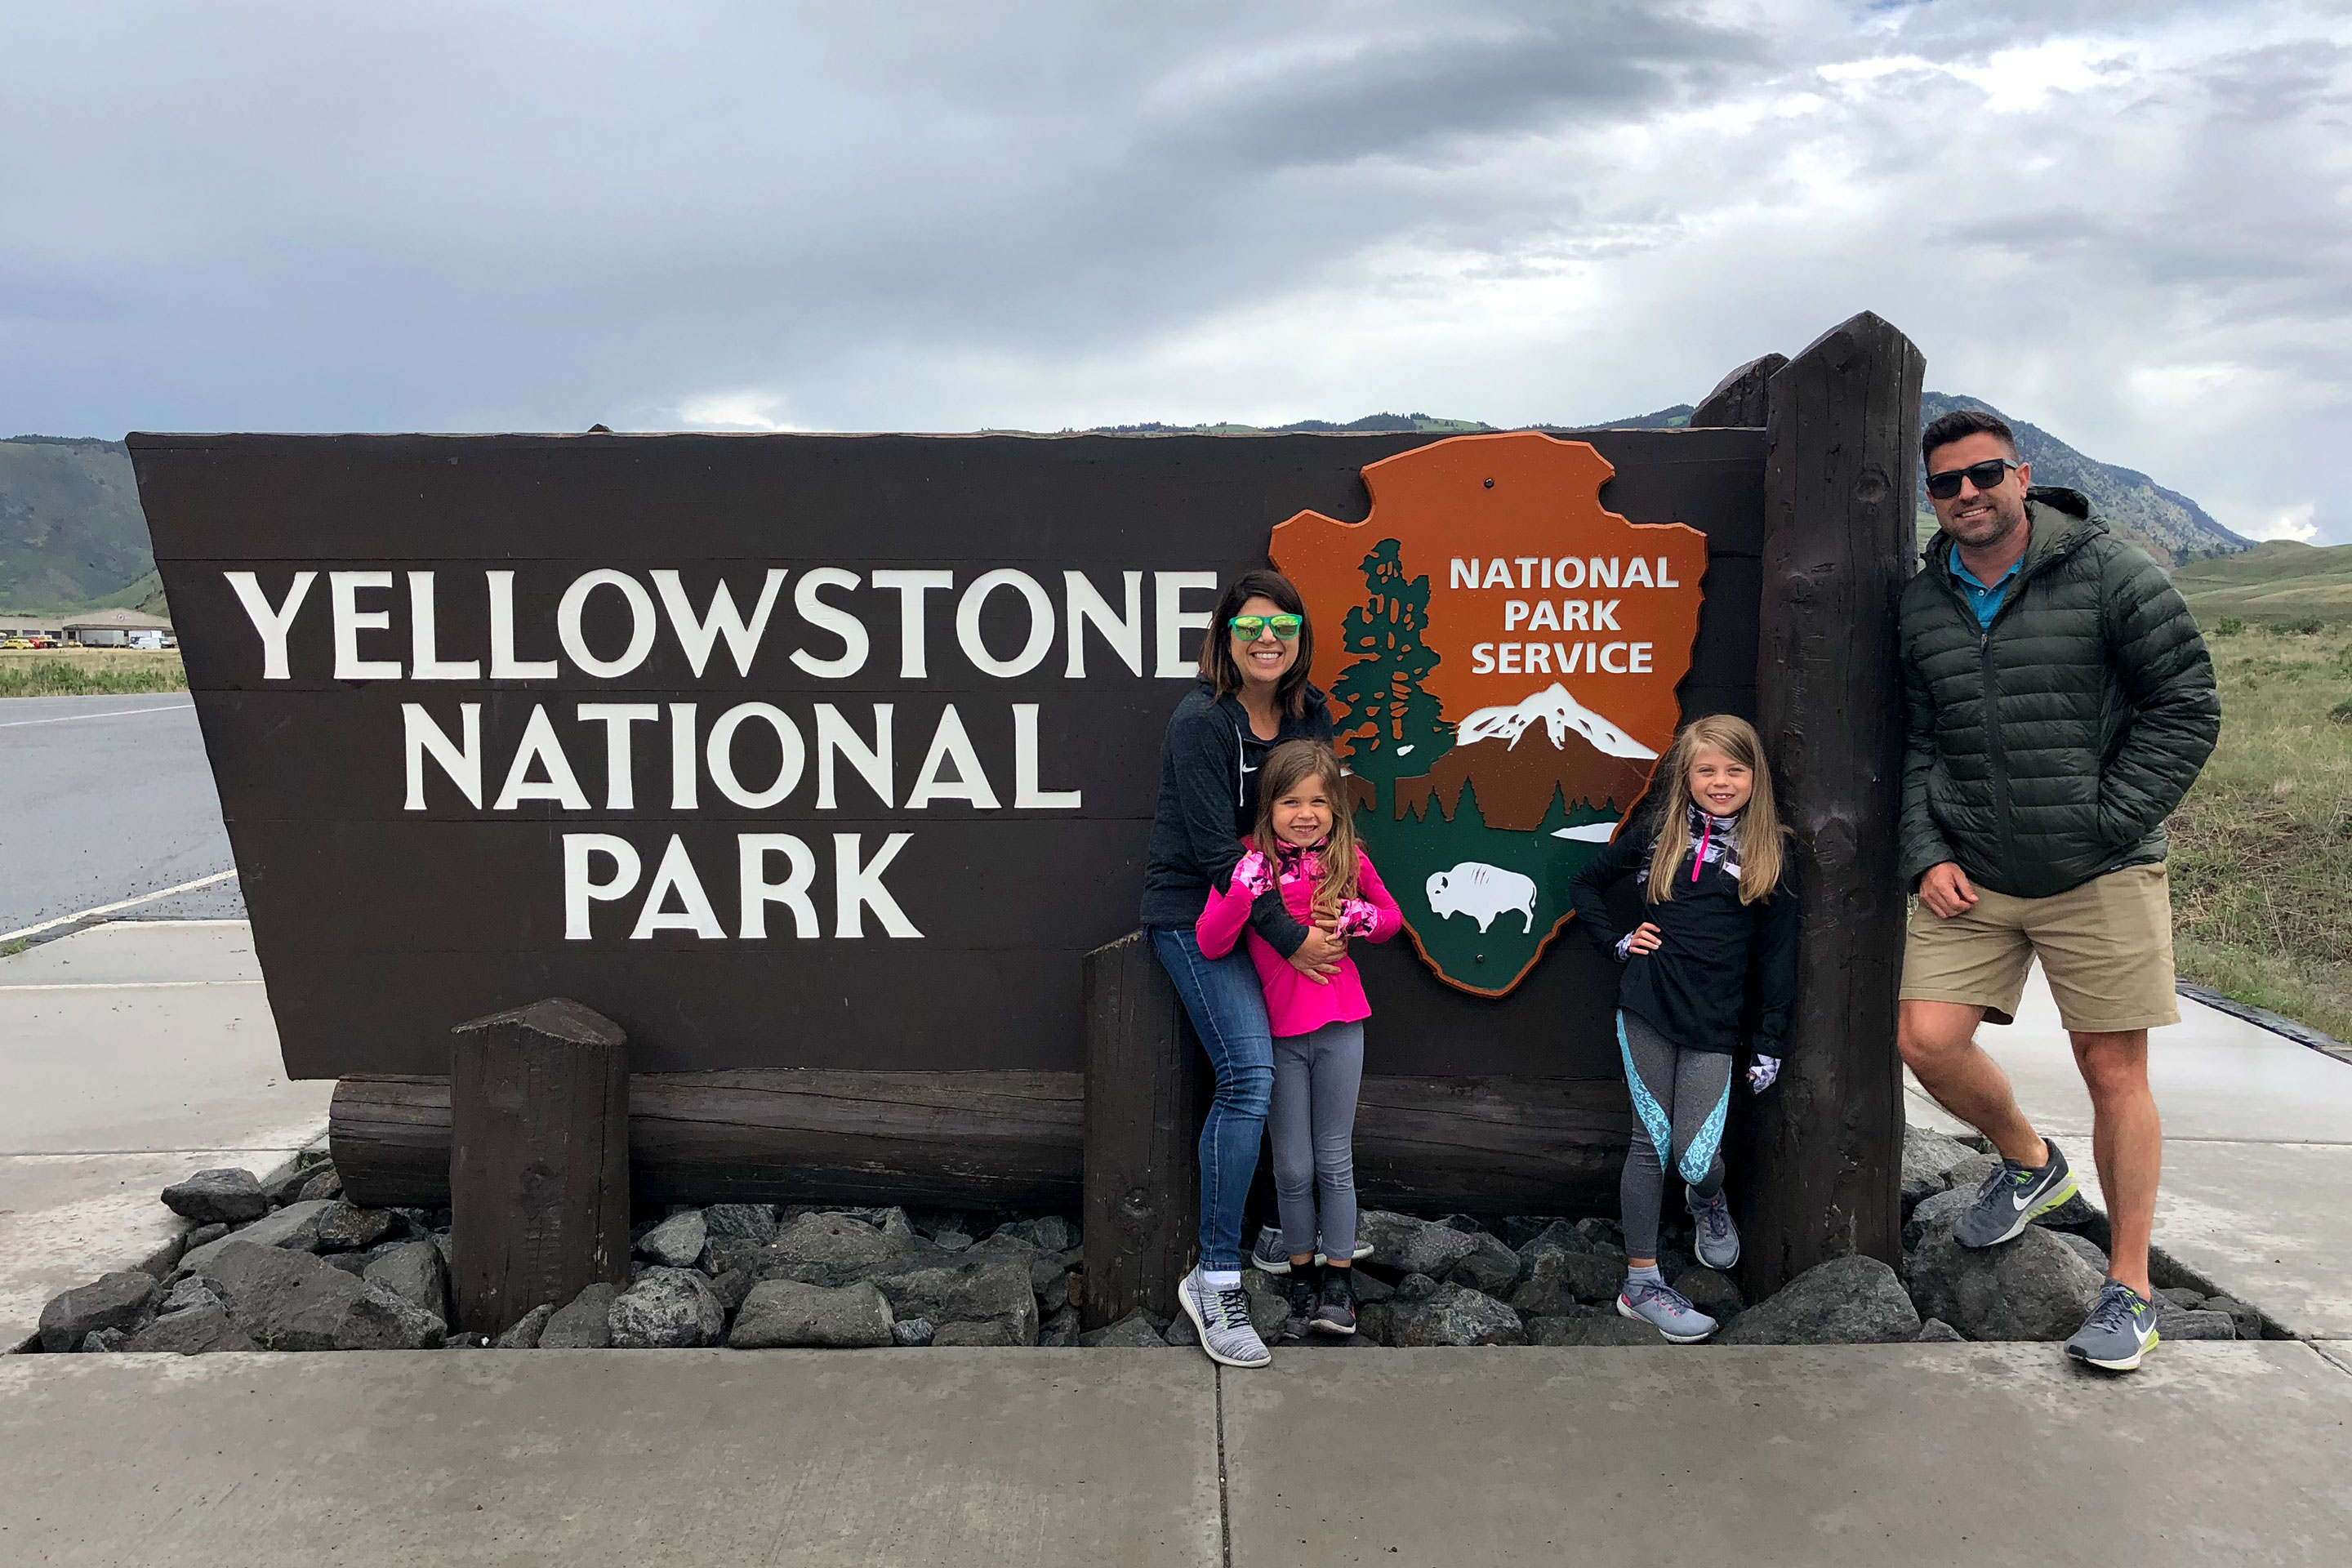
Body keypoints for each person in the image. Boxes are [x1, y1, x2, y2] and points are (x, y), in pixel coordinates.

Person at [1896, 408, 2220, 1373]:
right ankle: (2034, 1163)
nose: (1967, 496)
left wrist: (2104, 820)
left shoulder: (2111, 572)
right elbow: (1918, 744)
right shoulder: (1922, 603)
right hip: (1975, 873)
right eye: (1946, 484)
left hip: (2101, 872)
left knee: (2113, 1071)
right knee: (1924, 1039)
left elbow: (2186, 705)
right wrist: (1924, 852)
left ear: (2022, 475)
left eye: (1983, 475)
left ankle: (2130, 1289)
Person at [1141, 568, 1338, 1369]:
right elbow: (1218, 854)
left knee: (1304, 1061)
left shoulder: (1309, 712)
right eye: (1253, 627)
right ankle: (1214, 1276)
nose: (1268, 641)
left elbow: (1317, 819)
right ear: (1226, 636)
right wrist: (1291, 938)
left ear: (1298, 638)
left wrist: (1332, 905)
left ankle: (1273, 1235)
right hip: (1196, 913)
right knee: (1250, 1074)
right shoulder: (1200, 723)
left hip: (1279, 913)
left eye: (1283, 628)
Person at [1568, 714, 1796, 1343]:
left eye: (1734, 769)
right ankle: (1640, 1282)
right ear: (1686, 775)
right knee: (1650, 1143)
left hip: (1716, 1025)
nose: (1720, 782)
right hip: (1646, 1006)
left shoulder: (1773, 849)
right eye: (1706, 770)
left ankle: (1706, 1201)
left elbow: (1778, 959)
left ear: (1755, 776)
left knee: (1698, 1159)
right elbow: (1585, 883)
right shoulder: (1656, 834)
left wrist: (1770, 1040)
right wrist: (1618, 944)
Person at [1196, 741, 1401, 1339]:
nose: (1305, 813)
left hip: (1340, 1025)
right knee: (1291, 1164)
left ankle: (1339, 1283)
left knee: (1334, 1159)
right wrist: (1243, 890)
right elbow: (1211, 941)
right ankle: (1302, 1271)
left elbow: (1391, 919)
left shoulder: (1348, 858)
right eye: (1290, 801)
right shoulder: (1247, 861)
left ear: (1336, 808)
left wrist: (1360, 917)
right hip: (1279, 1034)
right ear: (1268, 807)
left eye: (1318, 801)